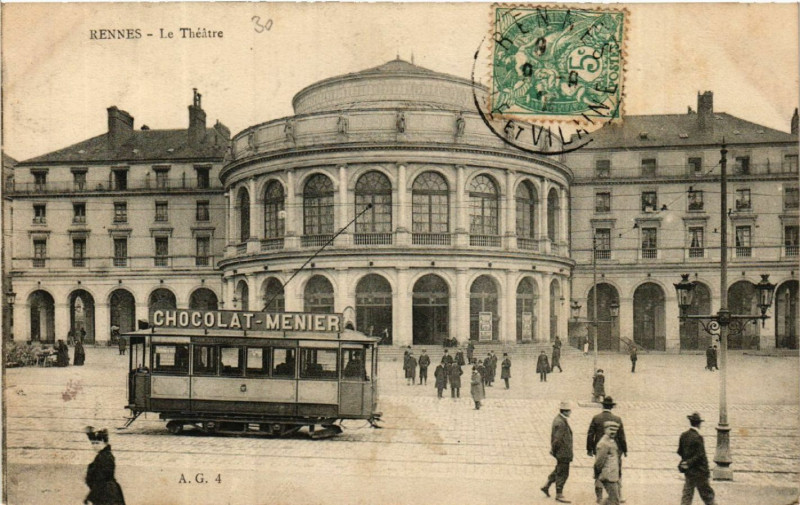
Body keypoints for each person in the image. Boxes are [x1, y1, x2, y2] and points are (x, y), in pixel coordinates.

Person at [587, 396, 628, 504]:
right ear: (612, 407)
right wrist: (625, 449)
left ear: (603, 406)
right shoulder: (617, 419)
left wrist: (589, 449)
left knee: (599, 470)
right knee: (616, 471)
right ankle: (618, 494)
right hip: (615, 450)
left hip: (599, 449)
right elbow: (622, 436)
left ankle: (599, 496)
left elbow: (590, 434)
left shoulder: (596, 418)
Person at [678, 412, 716, 505]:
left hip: (689, 471)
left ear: (690, 422)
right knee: (707, 496)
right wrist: (706, 471)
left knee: (687, 496)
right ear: (699, 424)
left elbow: (679, 451)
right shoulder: (698, 437)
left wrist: (686, 462)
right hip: (700, 472)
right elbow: (701, 455)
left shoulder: (683, 435)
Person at [542, 401, 574, 503]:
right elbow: (557, 439)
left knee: (558, 470)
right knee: (563, 473)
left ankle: (546, 486)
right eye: (569, 410)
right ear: (565, 411)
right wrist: (554, 450)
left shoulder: (560, 420)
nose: (570, 412)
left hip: (562, 452)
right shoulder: (561, 423)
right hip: (563, 452)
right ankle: (559, 494)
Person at [84, 427, 126, 505]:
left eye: (97, 443)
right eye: (93, 443)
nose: (94, 446)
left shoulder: (104, 457)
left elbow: (101, 479)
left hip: (106, 494)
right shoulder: (103, 455)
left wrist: (90, 497)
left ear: (104, 442)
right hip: (106, 493)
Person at [594, 421, 622, 505]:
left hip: (613, 475)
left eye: (615, 430)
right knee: (614, 500)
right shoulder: (603, 443)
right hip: (608, 476)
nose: (613, 432)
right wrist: (598, 474)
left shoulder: (611, 441)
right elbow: (599, 462)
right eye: (611, 429)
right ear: (605, 430)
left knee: (613, 499)